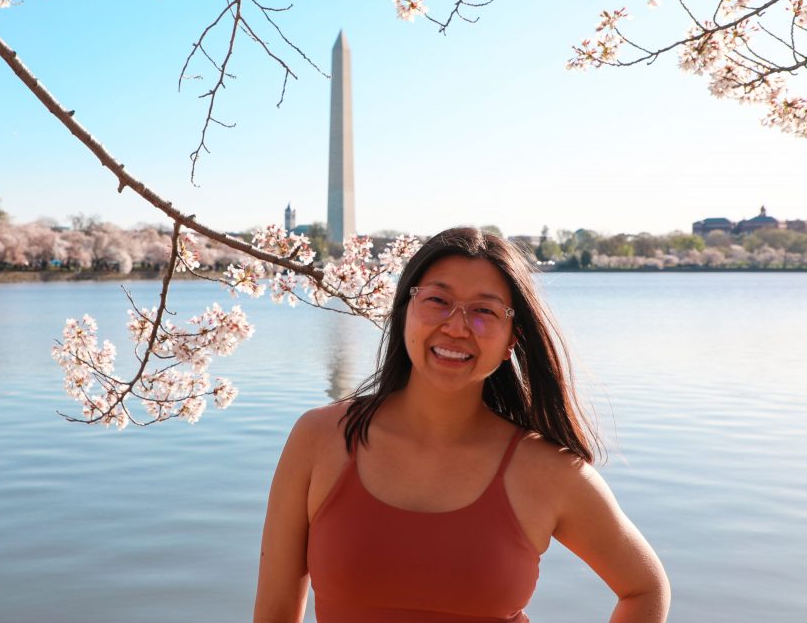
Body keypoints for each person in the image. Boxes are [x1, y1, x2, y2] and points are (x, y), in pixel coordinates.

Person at [253, 227, 670, 623]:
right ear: (405, 311)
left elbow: (644, 588)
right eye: (438, 300)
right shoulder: (320, 438)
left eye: (484, 311)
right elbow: (273, 613)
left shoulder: (549, 471)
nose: (456, 326)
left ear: (512, 340)